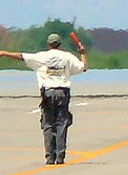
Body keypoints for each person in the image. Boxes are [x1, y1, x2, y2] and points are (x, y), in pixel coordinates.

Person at [0, 33, 88, 165]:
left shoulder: (41, 56)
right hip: (63, 93)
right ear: (60, 44)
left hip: (47, 93)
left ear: (49, 44)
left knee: (48, 124)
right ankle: (60, 157)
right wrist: (83, 53)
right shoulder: (68, 57)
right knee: (61, 124)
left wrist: (4, 53)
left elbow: (21, 56)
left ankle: (49, 157)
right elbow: (84, 67)